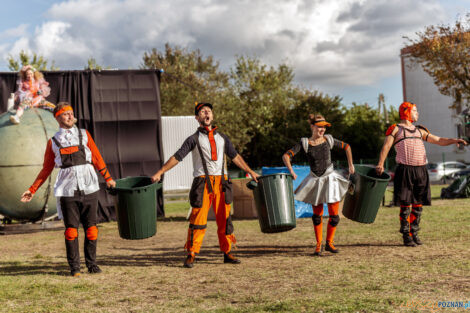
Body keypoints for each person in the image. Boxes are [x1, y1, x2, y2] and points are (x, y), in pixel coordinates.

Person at [151, 102, 260, 268]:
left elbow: (235, 156)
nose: (207, 113)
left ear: (212, 116)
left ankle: (227, 251)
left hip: (222, 183)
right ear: (197, 117)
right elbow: (178, 156)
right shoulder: (193, 139)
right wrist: (160, 172)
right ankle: (192, 253)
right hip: (202, 183)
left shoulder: (223, 138)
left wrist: (250, 171)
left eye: (209, 111)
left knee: (225, 219)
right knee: (198, 220)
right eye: (202, 111)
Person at [20, 102, 116, 276]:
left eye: (71, 113)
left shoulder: (84, 135)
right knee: (71, 231)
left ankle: (92, 265)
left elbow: (97, 158)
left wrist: (108, 178)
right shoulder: (53, 142)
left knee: (92, 229)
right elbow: (46, 169)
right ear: (58, 118)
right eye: (66, 114)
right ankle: (75, 268)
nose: (70, 116)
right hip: (67, 191)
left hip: (89, 187)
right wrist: (32, 189)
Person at [375, 102, 467, 247]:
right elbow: (386, 146)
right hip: (405, 170)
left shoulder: (419, 131)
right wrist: (380, 163)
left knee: (418, 203)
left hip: (421, 170)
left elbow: (438, 140)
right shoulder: (396, 129)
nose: (417, 114)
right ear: (406, 112)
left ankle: (414, 233)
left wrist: (453, 141)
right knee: (405, 203)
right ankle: (406, 235)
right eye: (415, 111)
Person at [282, 114, 354, 256]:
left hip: (330, 179)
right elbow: (286, 156)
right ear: (312, 126)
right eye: (320, 127)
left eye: (324, 127)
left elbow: (347, 147)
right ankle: (318, 245)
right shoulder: (305, 143)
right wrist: (291, 170)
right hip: (315, 180)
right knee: (317, 215)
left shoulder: (329, 140)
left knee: (334, 216)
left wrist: (351, 165)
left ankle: (330, 243)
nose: (322, 130)